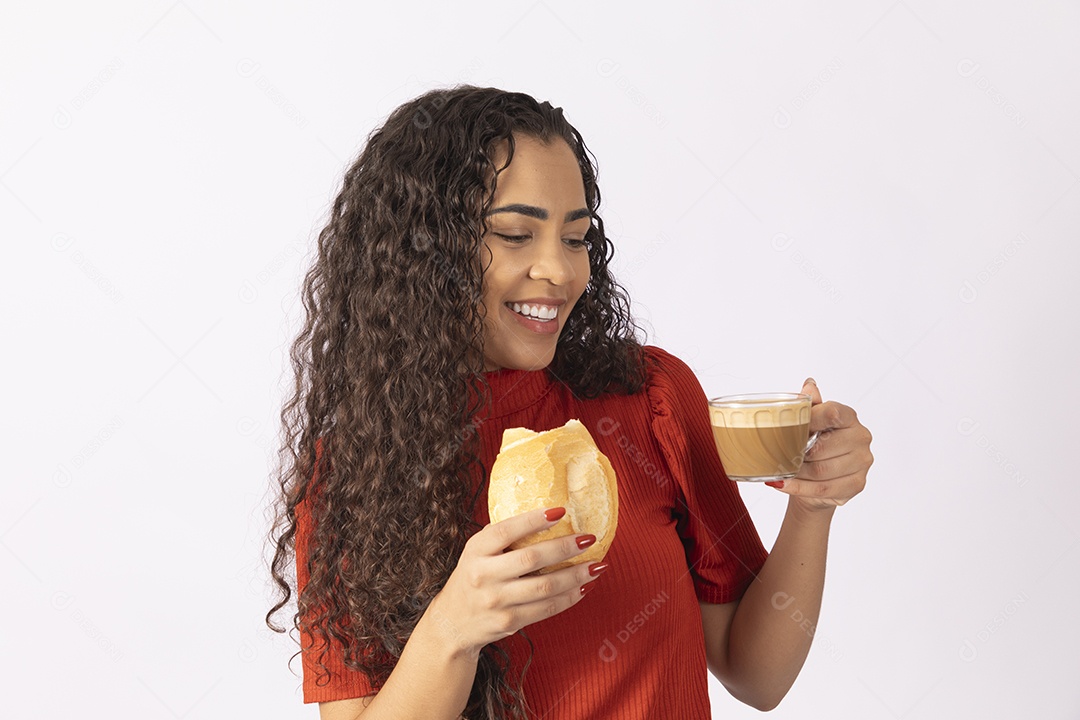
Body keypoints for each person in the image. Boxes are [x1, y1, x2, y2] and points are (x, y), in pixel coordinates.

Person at [266, 86, 873, 719]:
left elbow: (758, 676)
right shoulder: (359, 473)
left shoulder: (651, 399)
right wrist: (453, 629)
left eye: (577, 237)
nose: (559, 270)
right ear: (421, 251)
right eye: (515, 234)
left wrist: (813, 508)